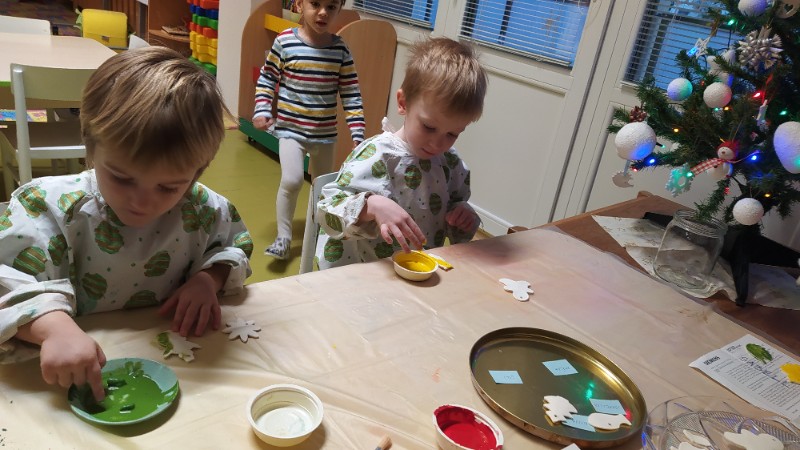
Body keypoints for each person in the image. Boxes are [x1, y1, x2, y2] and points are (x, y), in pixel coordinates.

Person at [0, 47, 253, 401]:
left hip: (177, 372)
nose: (142, 202)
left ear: (197, 172)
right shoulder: (47, 208)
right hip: (62, 381)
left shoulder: (202, 209)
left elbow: (232, 247)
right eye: (121, 178)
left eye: (168, 187)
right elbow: (8, 282)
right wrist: (50, 327)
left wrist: (209, 279)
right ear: (90, 148)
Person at [314, 37, 487, 270]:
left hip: (415, 271)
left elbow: (455, 211)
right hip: (361, 273)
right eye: (429, 127)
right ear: (403, 103)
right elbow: (326, 211)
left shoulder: (451, 164)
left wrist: (462, 216)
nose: (438, 143)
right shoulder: (377, 155)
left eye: (452, 134)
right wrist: (371, 205)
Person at [253, 0, 365, 260]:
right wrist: (262, 109)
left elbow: (351, 93)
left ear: (339, 9)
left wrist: (357, 132)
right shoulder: (285, 41)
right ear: (299, 4)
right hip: (290, 131)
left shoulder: (340, 49)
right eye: (315, 3)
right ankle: (283, 237)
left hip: (325, 135)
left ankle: (316, 235)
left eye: (331, 6)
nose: (323, 12)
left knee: (323, 189)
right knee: (292, 180)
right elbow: (267, 78)